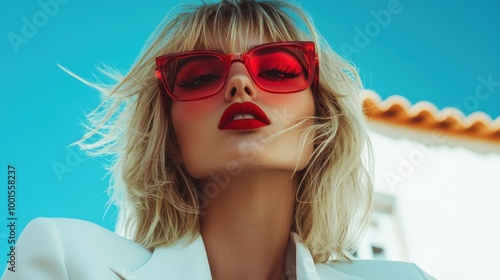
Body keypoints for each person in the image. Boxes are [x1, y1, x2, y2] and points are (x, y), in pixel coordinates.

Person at [2, 0, 435, 279]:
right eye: (201, 75)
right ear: (169, 135)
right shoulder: (67, 260)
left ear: (321, 121)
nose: (240, 84)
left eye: (279, 70)